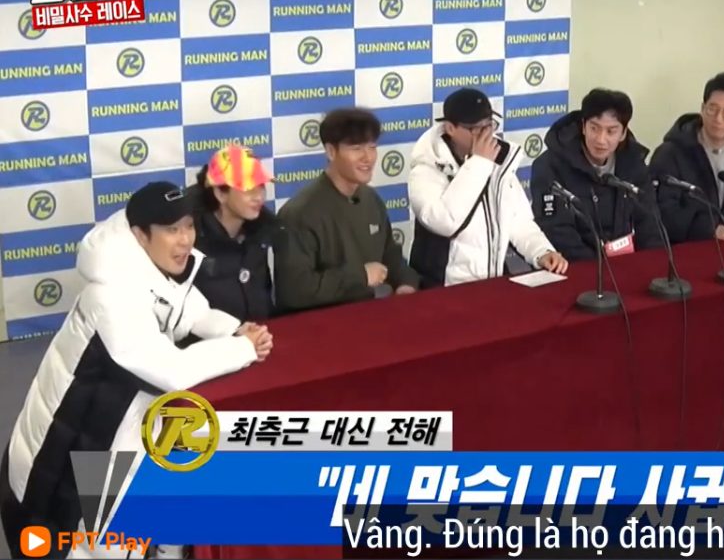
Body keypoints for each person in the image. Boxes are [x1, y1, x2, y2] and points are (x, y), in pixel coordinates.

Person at [1, 182, 271, 559]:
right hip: (67, 454)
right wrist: (242, 348)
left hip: (113, 430)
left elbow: (192, 311)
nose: (185, 240)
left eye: (188, 226)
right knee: (82, 543)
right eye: (171, 230)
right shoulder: (111, 295)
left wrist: (236, 330)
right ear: (140, 235)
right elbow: (171, 370)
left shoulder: (154, 267)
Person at [408, 87, 568, 288]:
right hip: (443, 287)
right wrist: (479, 163)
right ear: (450, 128)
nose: (486, 135)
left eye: (489, 125)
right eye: (476, 129)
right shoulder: (426, 169)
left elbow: (518, 220)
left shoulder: (497, 161)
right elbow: (444, 222)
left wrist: (542, 252)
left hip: (491, 282)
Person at [274, 108, 420, 312]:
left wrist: (405, 284)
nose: (368, 157)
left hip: (372, 315)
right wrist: (360, 276)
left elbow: (390, 255)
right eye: (356, 148)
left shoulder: (371, 199)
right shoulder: (299, 213)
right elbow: (294, 290)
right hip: (324, 324)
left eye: (372, 147)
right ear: (331, 152)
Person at [529, 88, 664, 261]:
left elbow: (650, 224)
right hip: (577, 267)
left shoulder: (634, 164)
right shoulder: (549, 166)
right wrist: (600, 269)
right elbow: (557, 232)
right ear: (583, 126)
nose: (600, 139)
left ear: (623, 133)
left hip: (625, 264)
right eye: (594, 128)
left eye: (611, 131)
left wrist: (651, 263)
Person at [649, 71, 724, 244]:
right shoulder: (670, 154)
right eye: (712, 109)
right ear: (702, 108)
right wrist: (712, 229)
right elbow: (663, 213)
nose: (718, 119)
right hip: (685, 248)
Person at [189, 144, 283, 322]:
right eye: (248, 189)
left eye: (261, 186)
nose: (259, 197)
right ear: (220, 193)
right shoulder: (190, 240)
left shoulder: (261, 231)